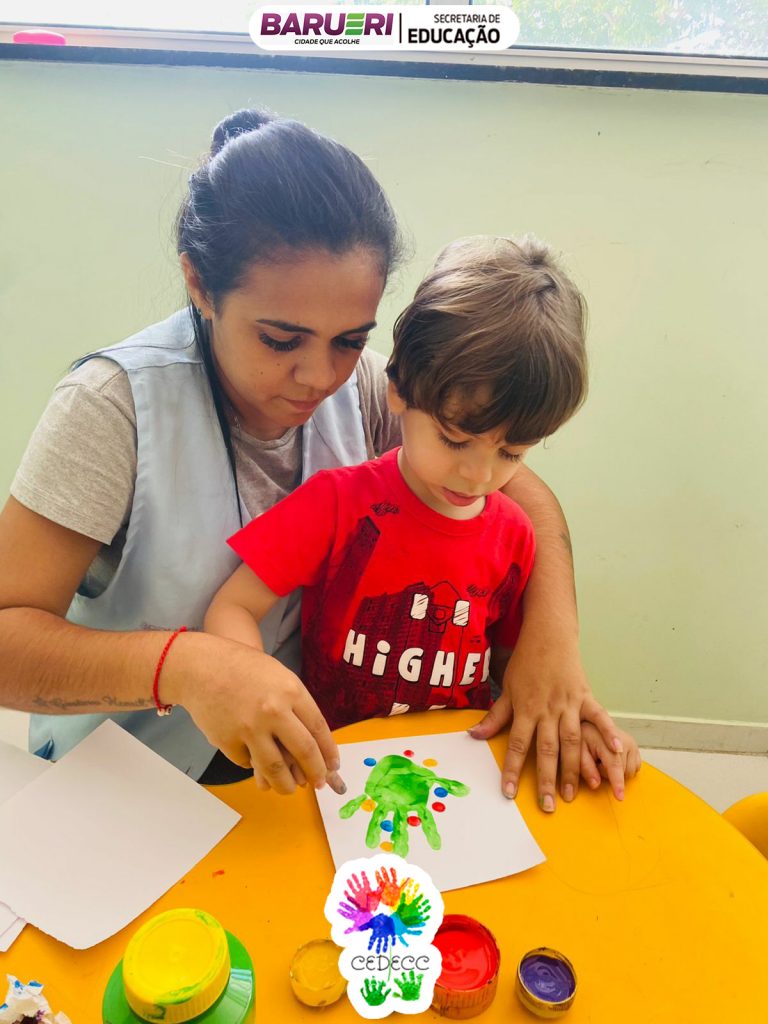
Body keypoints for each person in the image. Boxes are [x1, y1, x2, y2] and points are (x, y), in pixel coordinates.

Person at [0, 107, 624, 806]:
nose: (319, 378)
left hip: (300, 769)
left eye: (350, 339)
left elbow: (519, 493)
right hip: (130, 781)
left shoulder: (368, 386)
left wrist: (552, 644)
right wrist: (187, 666)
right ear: (200, 285)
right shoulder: (111, 408)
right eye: (279, 340)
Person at [205, 235, 641, 798]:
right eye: (455, 439)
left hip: (458, 783)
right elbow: (234, 605)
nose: (478, 475)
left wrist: (577, 726)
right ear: (398, 390)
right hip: (335, 776)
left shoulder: (515, 535)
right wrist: (252, 683)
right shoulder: (336, 502)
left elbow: (518, 673)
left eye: (512, 453)